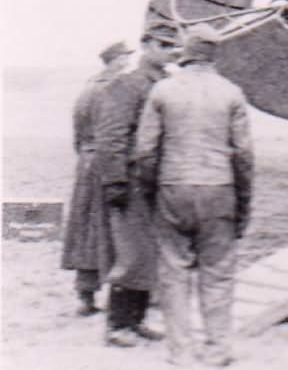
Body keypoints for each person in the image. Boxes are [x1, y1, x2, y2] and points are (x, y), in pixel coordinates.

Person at [134, 23, 254, 368]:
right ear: (214, 55)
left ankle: (180, 353)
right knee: (218, 273)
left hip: (172, 189)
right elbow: (243, 156)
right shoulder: (231, 93)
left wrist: (150, 193)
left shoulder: (162, 91)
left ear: (186, 51)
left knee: (173, 274)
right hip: (220, 190)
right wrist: (243, 204)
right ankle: (217, 350)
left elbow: (145, 152)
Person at [92, 23, 178, 347]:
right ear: (146, 45)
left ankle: (136, 320)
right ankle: (117, 325)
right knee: (132, 255)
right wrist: (115, 180)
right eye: (164, 45)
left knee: (149, 253)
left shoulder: (167, 84)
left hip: (157, 183)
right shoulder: (126, 85)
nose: (170, 51)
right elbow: (111, 136)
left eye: (174, 46)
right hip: (130, 182)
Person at [62, 41, 134, 317]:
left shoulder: (87, 88)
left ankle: (85, 294)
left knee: (85, 228)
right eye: (125, 58)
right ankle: (124, 293)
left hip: (87, 162)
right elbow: (118, 133)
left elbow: (77, 135)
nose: (128, 63)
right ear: (115, 61)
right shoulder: (115, 89)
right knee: (115, 227)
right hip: (108, 163)